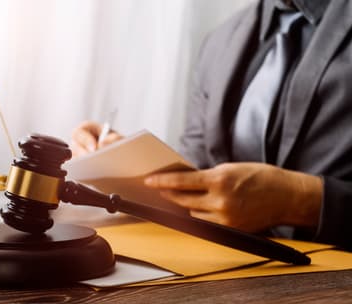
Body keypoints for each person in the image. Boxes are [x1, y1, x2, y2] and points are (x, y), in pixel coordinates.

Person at [71, 0, 352, 249]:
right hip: (228, 272)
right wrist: (126, 165)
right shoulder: (220, 40)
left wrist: (300, 200)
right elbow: (196, 181)